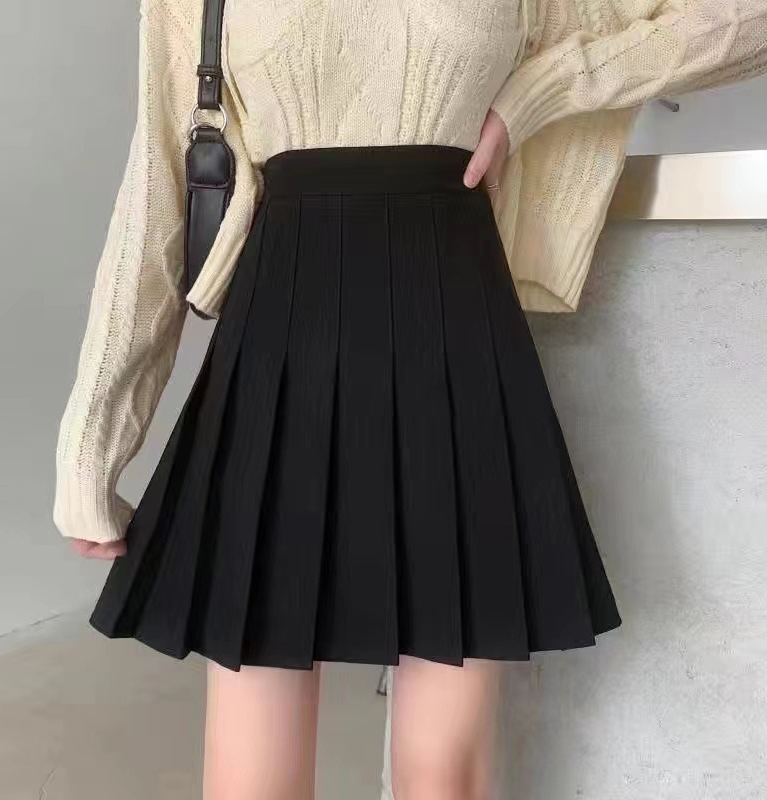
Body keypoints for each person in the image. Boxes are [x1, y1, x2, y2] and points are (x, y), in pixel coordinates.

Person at [52, 0, 767, 797]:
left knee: (443, 778)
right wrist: (92, 444)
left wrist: (545, 89)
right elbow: (156, 195)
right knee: (252, 781)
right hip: (279, 353)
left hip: (456, 344)